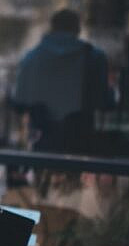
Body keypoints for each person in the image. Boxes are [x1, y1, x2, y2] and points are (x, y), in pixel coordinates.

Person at [13, 9, 114, 154]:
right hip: (80, 139)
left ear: (53, 28)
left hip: (43, 139)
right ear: (77, 29)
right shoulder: (94, 57)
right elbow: (104, 101)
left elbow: (19, 103)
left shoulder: (32, 57)